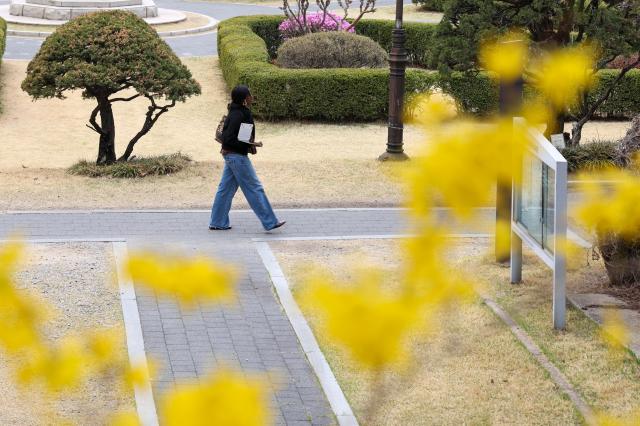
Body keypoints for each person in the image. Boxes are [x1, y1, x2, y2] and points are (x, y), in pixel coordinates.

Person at [209, 85, 285, 231]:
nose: (251, 97)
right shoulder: (241, 114)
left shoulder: (235, 111)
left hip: (231, 156)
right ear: (244, 99)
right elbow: (229, 139)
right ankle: (270, 221)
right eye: (249, 95)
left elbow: (239, 138)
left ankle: (218, 222)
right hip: (237, 157)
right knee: (254, 188)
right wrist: (250, 145)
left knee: (225, 189)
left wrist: (250, 144)